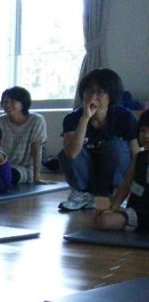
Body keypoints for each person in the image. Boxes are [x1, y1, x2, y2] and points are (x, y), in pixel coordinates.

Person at [58, 69, 140, 211]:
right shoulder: (72, 118)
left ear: (110, 96)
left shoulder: (125, 117)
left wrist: (133, 188)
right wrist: (85, 118)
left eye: (100, 92)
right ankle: (82, 196)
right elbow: (71, 154)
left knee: (117, 146)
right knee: (67, 149)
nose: (93, 96)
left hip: (113, 178)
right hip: (87, 176)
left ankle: (115, 196)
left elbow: (136, 155)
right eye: (89, 91)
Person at [94, 111, 149, 233]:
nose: (146, 136)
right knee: (103, 220)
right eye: (143, 131)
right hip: (136, 212)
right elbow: (126, 185)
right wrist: (112, 208)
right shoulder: (139, 158)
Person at [0, 86, 49, 185]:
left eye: (12, 102)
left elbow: (36, 150)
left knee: (6, 175)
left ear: (23, 104)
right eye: (5, 102)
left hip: (24, 169)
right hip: (4, 165)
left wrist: (37, 178)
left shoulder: (36, 120)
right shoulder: (1, 120)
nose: (8, 105)